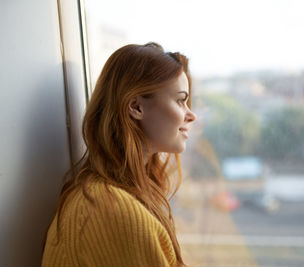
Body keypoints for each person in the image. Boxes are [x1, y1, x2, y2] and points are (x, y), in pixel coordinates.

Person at [42, 42, 197, 267]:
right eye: (180, 100)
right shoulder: (111, 209)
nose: (191, 115)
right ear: (135, 107)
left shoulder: (112, 196)